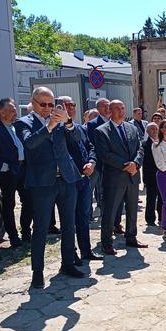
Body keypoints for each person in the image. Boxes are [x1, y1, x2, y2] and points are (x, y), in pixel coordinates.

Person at [17, 87, 83, 288]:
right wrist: (49, 126)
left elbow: (78, 139)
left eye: (51, 104)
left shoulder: (61, 120)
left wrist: (68, 122)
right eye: (43, 104)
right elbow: (29, 144)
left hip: (66, 178)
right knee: (41, 228)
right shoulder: (24, 122)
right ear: (33, 103)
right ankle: (38, 271)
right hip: (42, 182)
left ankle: (68, 263)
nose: (47, 108)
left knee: (69, 224)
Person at [94, 99, 148, 254]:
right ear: (109, 111)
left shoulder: (132, 128)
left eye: (123, 108)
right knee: (110, 212)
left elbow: (140, 149)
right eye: (116, 108)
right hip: (114, 178)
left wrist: (136, 164)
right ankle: (106, 242)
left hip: (132, 176)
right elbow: (105, 155)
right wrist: (127, 165)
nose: (121, 111)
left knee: (132, 210)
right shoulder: (101, 131)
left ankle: (131, 237)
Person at [0, 98, 30, 247]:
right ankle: (13, 237)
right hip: (8, 172)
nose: (15, 111)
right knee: (9, 204)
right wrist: (3, 167)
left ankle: (26, 232)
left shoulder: (16, 127)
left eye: (15, 109)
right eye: (12, 109)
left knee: (29, 201)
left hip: (23, 169)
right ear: (2, 112)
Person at [60, 96, 104, 264]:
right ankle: (72, 254)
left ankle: (86, 250)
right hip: (67, 180)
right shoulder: (56, 130)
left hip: (84, 178)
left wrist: (92, 162)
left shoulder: (80, 128)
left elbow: (91, 147)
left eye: (72, 105)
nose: (70, 108)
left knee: (84, 215)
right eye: (65, 106)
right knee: (69, 219)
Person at [86, 98, 110, 220]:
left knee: (105, 191)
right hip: (96, 163)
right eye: (103, 106)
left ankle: (106, 214)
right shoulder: (92, 124)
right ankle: (88, 215)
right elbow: (92, 144)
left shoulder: (114, 122)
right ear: (98, 109)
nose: (107, 108)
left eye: (108, 105)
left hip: (110, 164)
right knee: (89, 190)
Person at [142, 122, 163, 225]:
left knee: (162, 198)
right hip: (151, 176)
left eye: (156, 129)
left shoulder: (162, 143)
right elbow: (145, 163)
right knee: (151, 198)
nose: (155, 131)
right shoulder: (144, 144)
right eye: (152, 129)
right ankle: (150, 219)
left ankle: (162, 217)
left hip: (163, 174)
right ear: (147, 131)